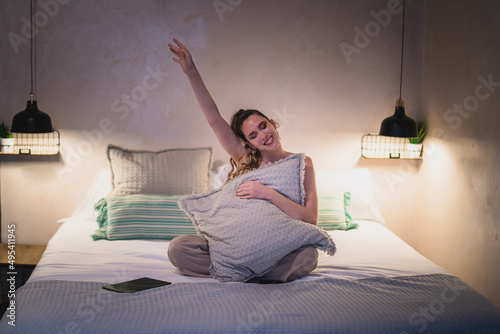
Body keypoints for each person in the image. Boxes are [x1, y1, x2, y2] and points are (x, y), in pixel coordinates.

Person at [167, 38, 319, 283]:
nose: (264, 135)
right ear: (248, 143)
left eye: (263, 125)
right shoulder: (245, 157)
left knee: (308, 255)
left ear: (273, 123)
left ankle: (241, 269)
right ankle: (249, 268)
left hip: (277, 247)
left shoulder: (302, 164)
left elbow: (310, 219)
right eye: (253, 135)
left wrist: (266, 193)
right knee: (179, 248)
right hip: (236, 240)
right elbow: (214, 119)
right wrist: (191, 72)